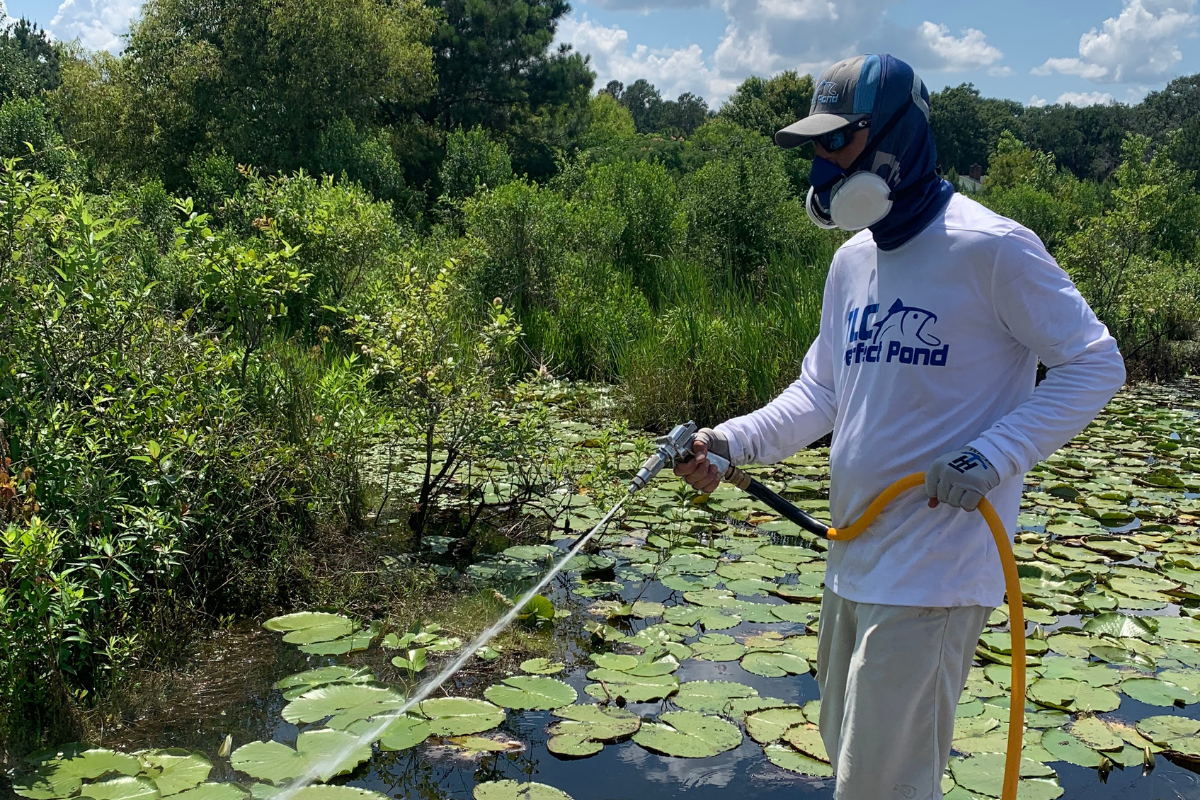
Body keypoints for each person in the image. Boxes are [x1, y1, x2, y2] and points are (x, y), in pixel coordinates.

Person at [674, 54, 1125, 800]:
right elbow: (821, 393)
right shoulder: (853, 261)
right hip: (853, 559)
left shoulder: (991, 248)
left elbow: (1095, 362)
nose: (821, 165)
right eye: (814, 147)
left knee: (877, 785)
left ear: (895, 139)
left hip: (938, 572)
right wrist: (729, 443)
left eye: (835, 143)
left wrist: (992, 454)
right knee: (847, 757)